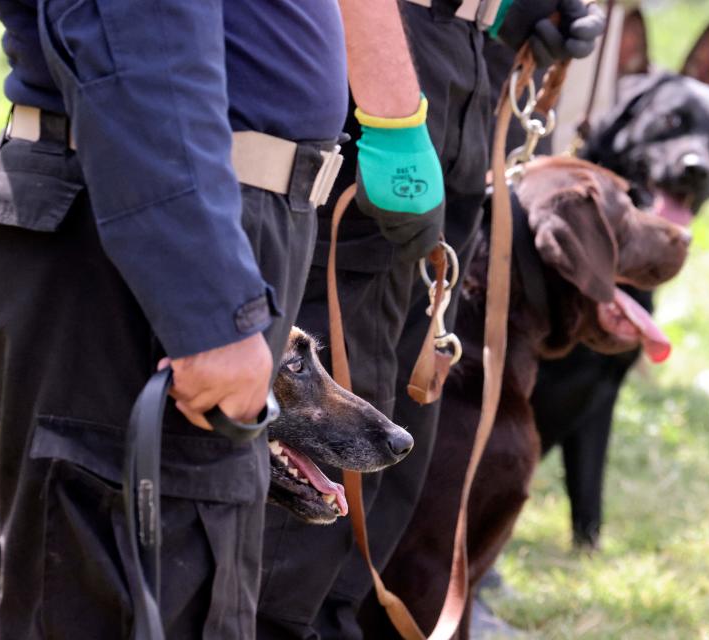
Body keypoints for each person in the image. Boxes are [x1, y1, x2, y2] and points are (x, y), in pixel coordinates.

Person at [0, 0, 439, 638]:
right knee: (118, 605)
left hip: (196, 205)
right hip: (159, 216)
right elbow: (139, 44)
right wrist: (210, 305)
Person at [256, 1, 604, 637]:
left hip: (469, 64)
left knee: (386, 478)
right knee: (298, 512)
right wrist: (390, 122)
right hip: (376, 70)